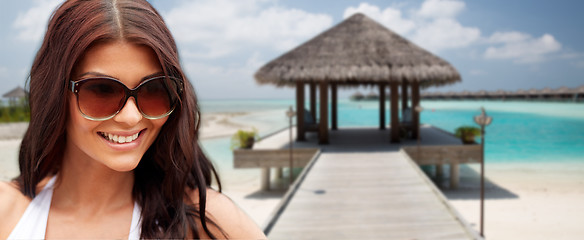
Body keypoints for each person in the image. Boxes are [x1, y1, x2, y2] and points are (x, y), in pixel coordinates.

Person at [0, 0, 267, 239]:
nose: (131, 117)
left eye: (154, 89)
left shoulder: (204, 222)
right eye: (102, 90)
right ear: (55, 94)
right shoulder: (6, 213)